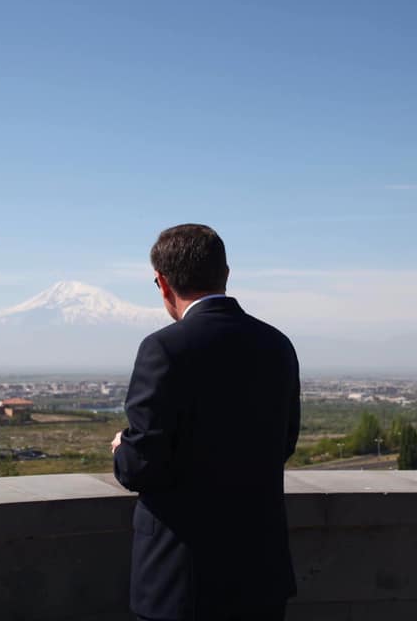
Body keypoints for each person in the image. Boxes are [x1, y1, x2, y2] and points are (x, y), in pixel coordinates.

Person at [112, 223, 301, 621]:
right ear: (226, 274)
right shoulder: (277, 344)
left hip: (181, 581)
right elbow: (283, 443)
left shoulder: (163, 348)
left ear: (163, 283)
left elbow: (142, 465)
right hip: (260, 575)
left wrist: (122, 449)